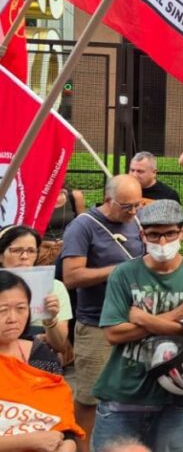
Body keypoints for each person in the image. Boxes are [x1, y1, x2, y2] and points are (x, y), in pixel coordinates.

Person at [91, 200, 183, 452]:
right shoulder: (124, 274)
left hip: (174, 398)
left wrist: (144, 318)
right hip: (121, 395)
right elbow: (113, 334)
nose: (162, 242)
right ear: (142, 235)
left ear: (182, 231)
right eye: (154, 234)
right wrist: (176, 317)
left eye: (169, 233)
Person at [58, 174, 146, 447]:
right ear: (108, 200)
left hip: (133, 322)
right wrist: (117, 271)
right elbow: (70, 277)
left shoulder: (134, 223)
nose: (133, 212)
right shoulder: (83, 226)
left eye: (137, 205)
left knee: (129, 397)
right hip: (97, 324)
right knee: (89, 398)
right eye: (126, 206)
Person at [0, 270, 82, 450]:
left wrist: (68, 445)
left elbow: (62, 422)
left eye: (21, 308)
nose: (13, 319)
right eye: (2, 310)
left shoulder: (38, 353)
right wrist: (28, 441)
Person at [0, 225, 72, 358]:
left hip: (38, 361)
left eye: (31, 251)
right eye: (16, 250)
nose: (24, 256)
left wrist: (50, 320)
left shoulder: (54, 287)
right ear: (1, 255)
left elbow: (59, 345)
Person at [38, 183, 86, 266]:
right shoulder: (34, 196)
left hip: (68, 250)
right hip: (43, 252)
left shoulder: (75, 196)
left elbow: (82, 226)